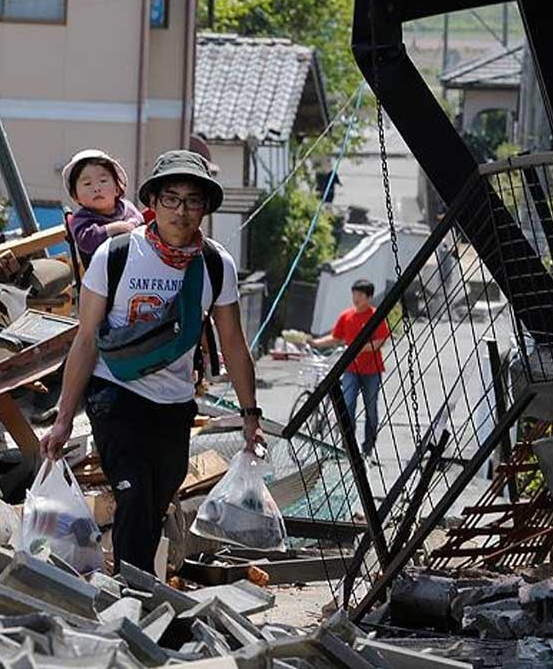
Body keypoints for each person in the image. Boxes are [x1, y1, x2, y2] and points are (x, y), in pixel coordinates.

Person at [39, 150, 265, 574]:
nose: (181, 211)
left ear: (206, 209)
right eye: (171, 199)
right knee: (135, 491)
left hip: (175, 404)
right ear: (153, 203)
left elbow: (233, 343)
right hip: (115, 393)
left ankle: (134, 586)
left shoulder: (215, 265)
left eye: (192, 201)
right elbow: (86, 339)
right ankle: (133, 594)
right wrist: (64, 417)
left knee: (159, 494)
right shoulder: (117, 255)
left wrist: (250, 414)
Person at [309, 279, 390, 459]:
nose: (356, 298)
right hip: (351, 369)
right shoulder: (347, 316)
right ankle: (349, 447)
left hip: (372, 370)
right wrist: (315, 342)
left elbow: (380, 341)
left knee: (371, 410)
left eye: (360, 295)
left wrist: (358, 347)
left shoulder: (375, 316)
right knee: (347, 407)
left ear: (369, 297)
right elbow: (336, 338)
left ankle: (368, 448)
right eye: (354, 294)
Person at [63, 149, 146, 267]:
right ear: (76, 197)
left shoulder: (126, 207)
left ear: (117, 188)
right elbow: (86, 241)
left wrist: (131, 225)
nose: (96, 188)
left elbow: (140, 222)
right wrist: (114, 228)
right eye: (87, 184)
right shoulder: (81, 219)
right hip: (103, 276)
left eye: (103, 181)